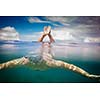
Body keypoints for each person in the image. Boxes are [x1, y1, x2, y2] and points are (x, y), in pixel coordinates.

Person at [0, 26, 100, 79]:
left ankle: (45, 36)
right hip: (43, 64)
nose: (45, 45)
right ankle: (45, 36)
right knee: (43, 46)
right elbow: (71, 67)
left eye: (46, 44)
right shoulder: (49, 62)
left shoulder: (25, 60)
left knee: (38, 46)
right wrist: (87, 75)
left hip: (33, 62)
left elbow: (5, 65)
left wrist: (46, 36)